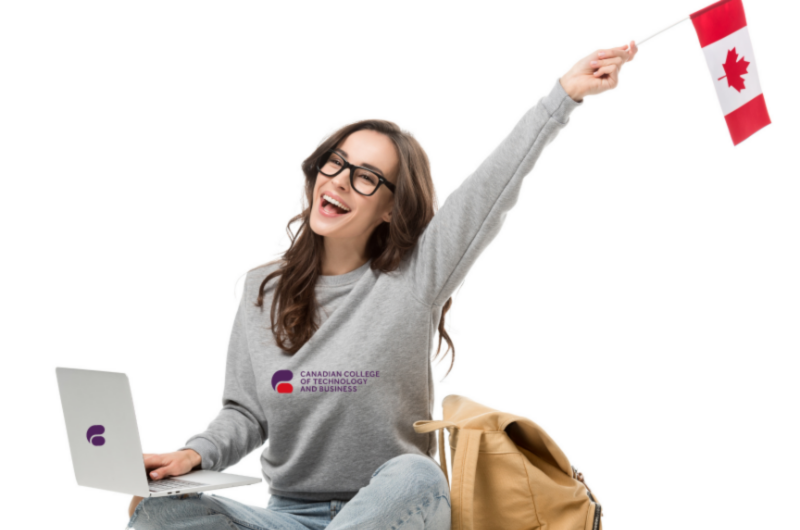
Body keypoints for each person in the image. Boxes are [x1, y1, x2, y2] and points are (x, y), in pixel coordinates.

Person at [126, 41, 638, 530]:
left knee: (415, 472)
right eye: (337, 163)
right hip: (287, 516)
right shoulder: (263, 289)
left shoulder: (417, 276)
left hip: (399, 511)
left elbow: (490, 189)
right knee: (156, 515)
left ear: (391, 207)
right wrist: (194, 455)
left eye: (367, 176)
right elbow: (246, 411)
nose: (342, 181)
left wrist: (562, 97)